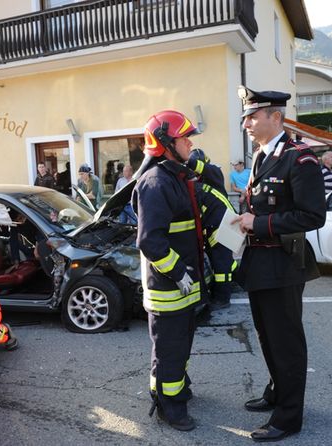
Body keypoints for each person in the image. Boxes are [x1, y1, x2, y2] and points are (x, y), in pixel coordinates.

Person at [232, 86, 326, 443]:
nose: (247, 123)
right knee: (266, 335)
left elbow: (312, 215)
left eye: (253, 116)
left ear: (276, 116)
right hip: (260, 259)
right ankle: (276, 391)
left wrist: (259, 223)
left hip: (285, 262)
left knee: (286, 341)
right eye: (245, 117)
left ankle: (288, 417)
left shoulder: (299, 158)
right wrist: (246, 219)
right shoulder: (260, 156)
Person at [131, 110, 210, 432]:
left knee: (179, 348)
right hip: (170, 289)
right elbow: (150, 241)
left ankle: (176, 388)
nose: (190, 143)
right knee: (169, 352)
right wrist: (179, 273)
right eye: (184, 138)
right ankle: (169, 408)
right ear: (165, 143)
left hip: (185, 285)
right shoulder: (155, 183)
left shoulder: (175, 176)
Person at [185, 148, 236, 311]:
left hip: (227, 224)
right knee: (223, 260)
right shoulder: (198, 184)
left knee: (222, 264)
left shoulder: (214, 173)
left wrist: (185, 160)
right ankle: (236, 281)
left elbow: (201, 168)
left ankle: (222, 298)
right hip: (223, 224)